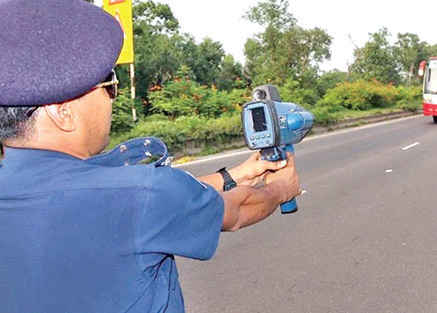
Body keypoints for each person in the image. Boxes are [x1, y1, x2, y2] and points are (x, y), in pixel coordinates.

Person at [0, 1, 301, 312]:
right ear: (63, 112)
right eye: (110, 86)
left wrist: (233, 176)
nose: (111, 100)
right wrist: (281, 189)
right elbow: (235, 211)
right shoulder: (141, 193)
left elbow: (145, 203)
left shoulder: (129, 195)